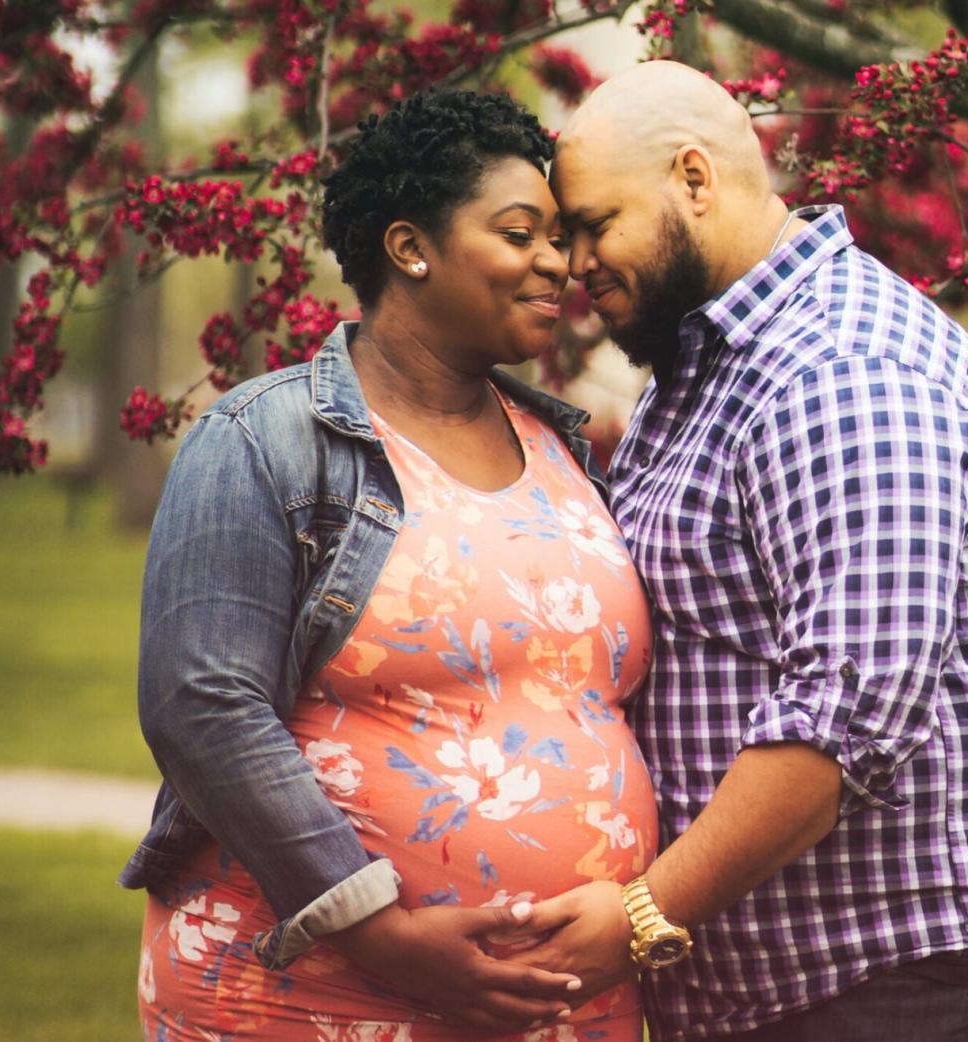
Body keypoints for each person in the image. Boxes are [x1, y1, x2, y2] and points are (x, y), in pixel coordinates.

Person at [505, 60, 968, 1042]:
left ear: (694, 181)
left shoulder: (841, 367)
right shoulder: (712, 368)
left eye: (591, 225)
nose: (574, 264)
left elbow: (846, 712)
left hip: (917, 988)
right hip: (829, 993)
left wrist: (640, 914)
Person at [120, 88, 658, 1041]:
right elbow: (201, 703)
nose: (559, 263)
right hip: (314, 993)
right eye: (522, 232)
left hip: (561, 1010)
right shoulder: (264, 439)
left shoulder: (567, 454)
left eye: (561, 236)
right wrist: (377, 928)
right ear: (410, 248)